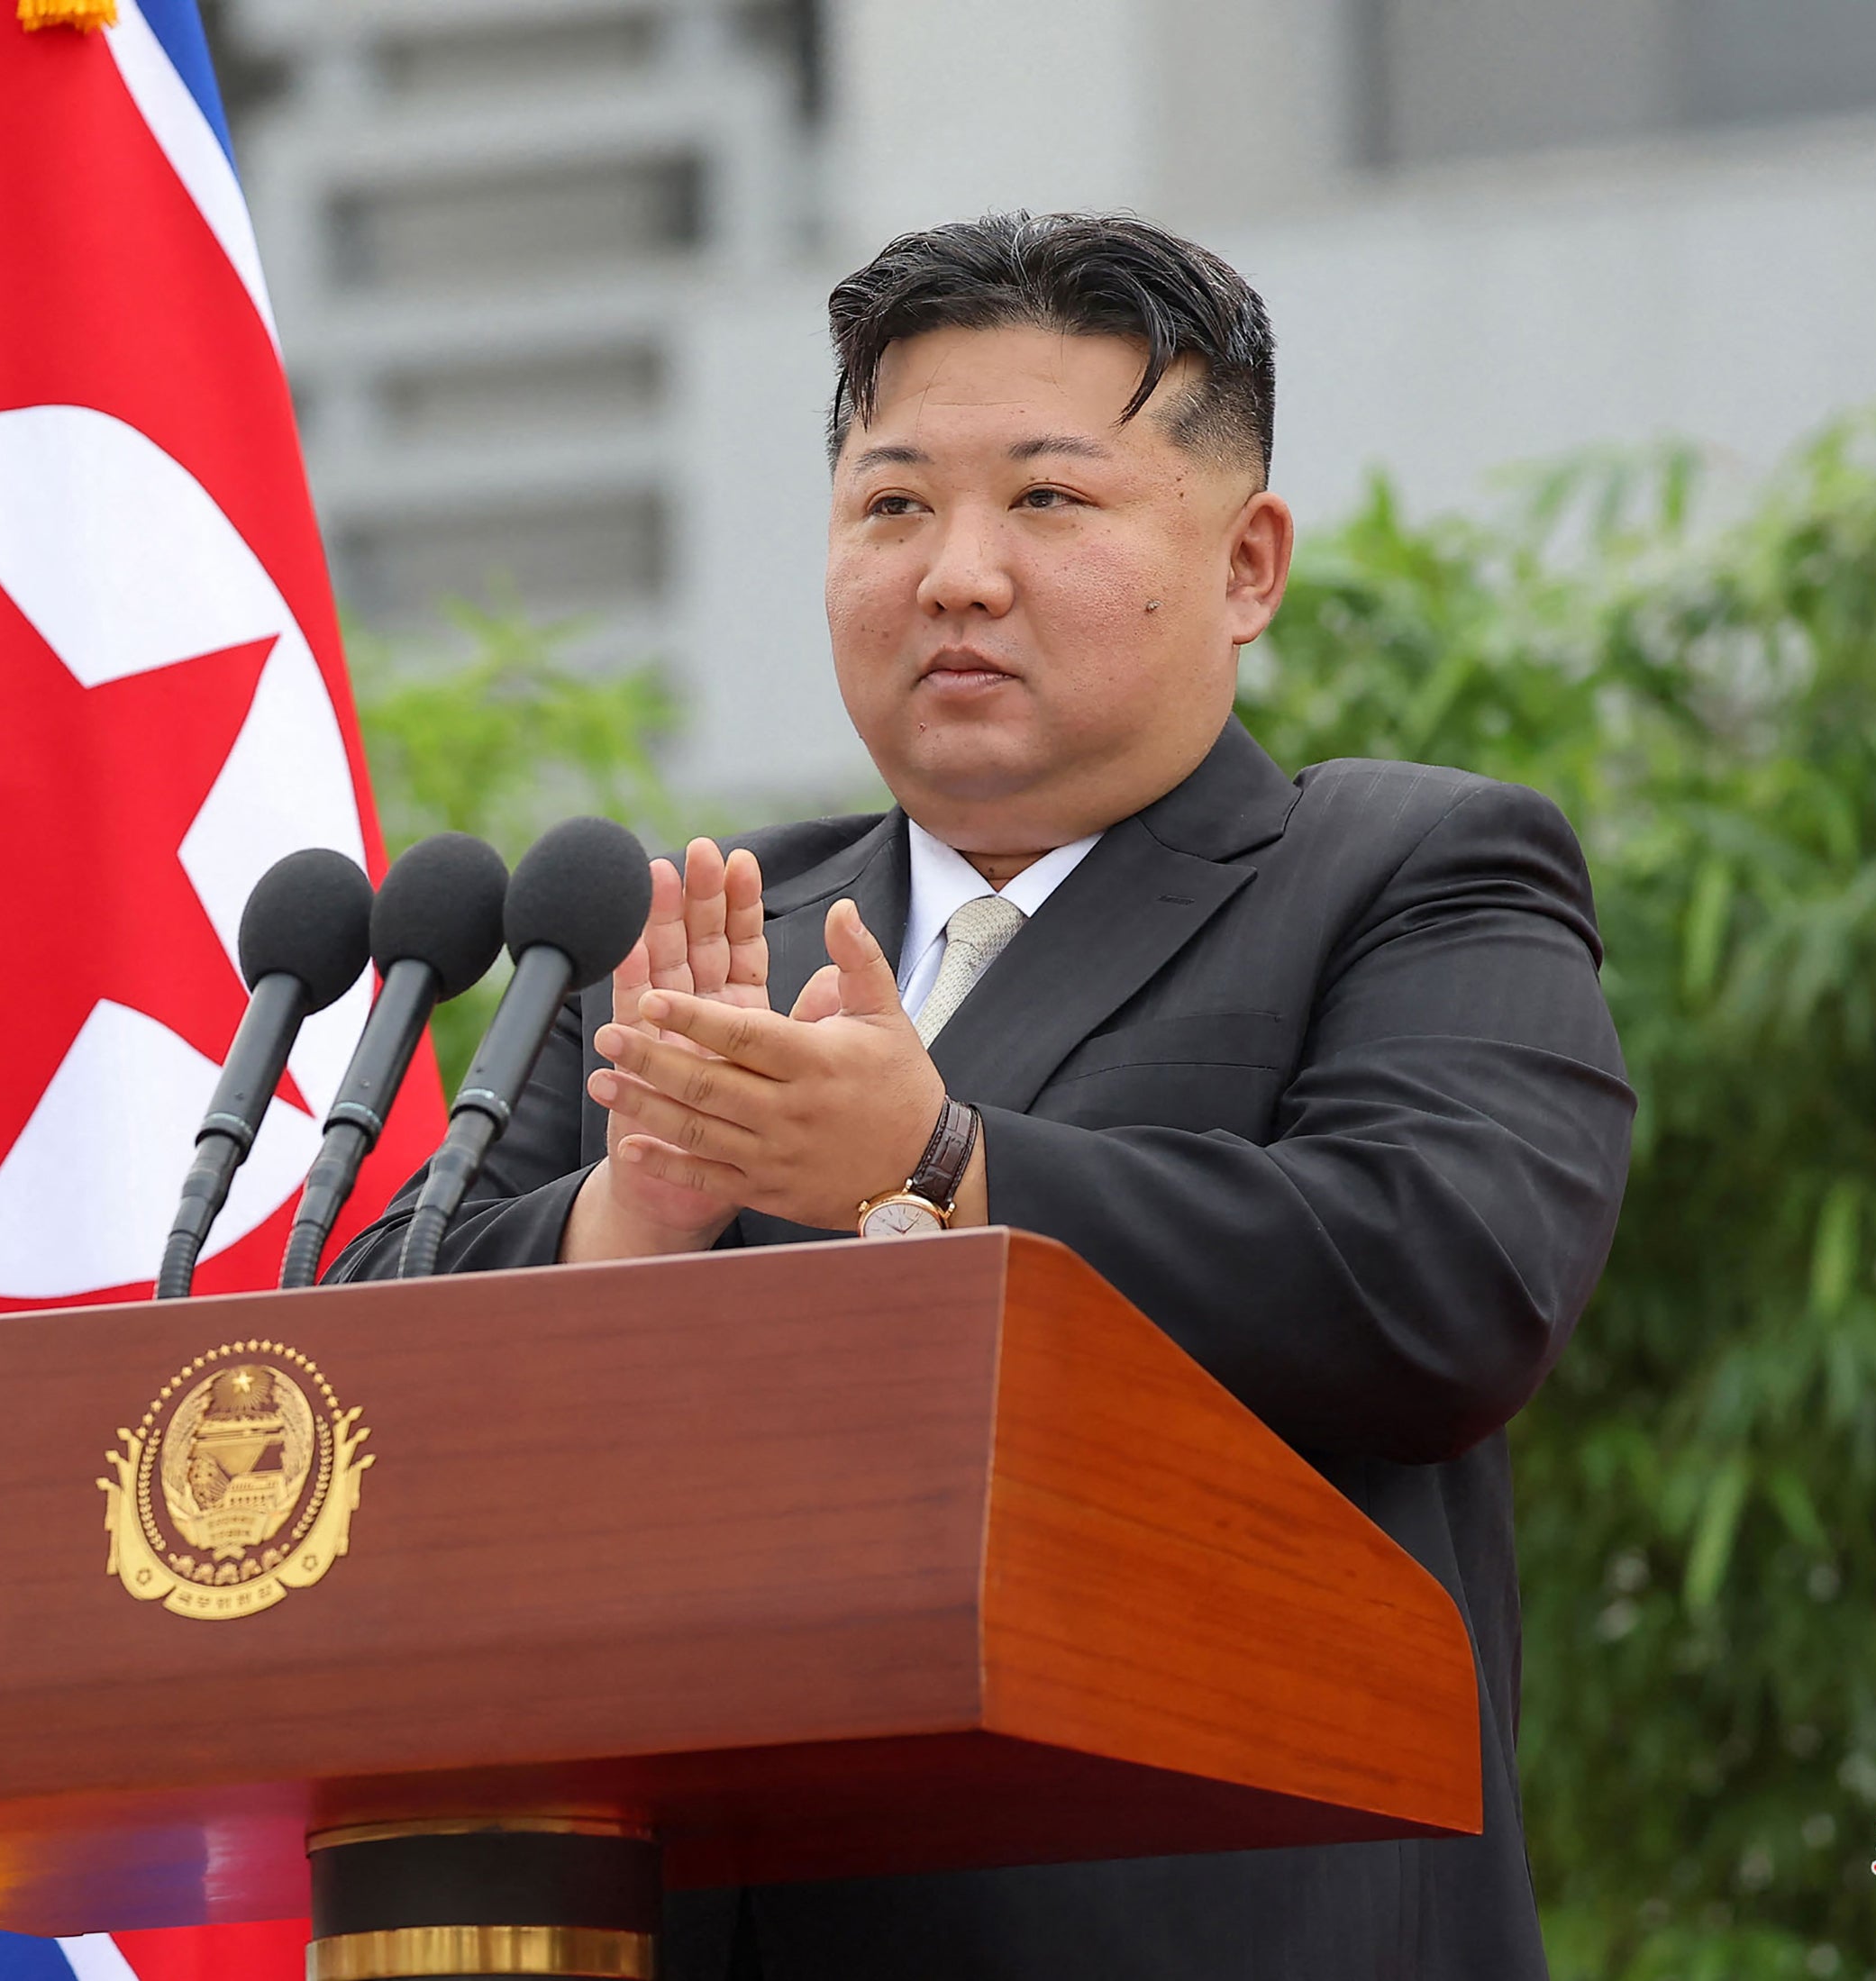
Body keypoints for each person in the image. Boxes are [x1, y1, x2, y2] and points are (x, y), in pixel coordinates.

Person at [332, 211, 1635, 1980]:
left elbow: (1442, 1278)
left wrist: (944, 1162)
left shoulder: (1406, 870)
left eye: (1047, 499)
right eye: (892, 504)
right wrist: (631, 1214)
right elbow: (363, 1383)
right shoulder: (694, 931)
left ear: (1248, 563)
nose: (955, 571)